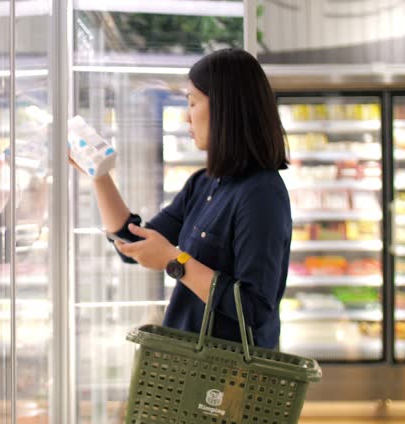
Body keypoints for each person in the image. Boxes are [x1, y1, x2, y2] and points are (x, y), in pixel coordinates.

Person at [72, 48, 291, 349]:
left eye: (192, 102)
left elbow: (253, 308)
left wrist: (177, 261)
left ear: (226, 108)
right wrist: (99, 174)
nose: (187, 115)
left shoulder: (262, 193)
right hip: (190, 367)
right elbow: (131, 245)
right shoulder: (203, 184)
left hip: (232, 381)